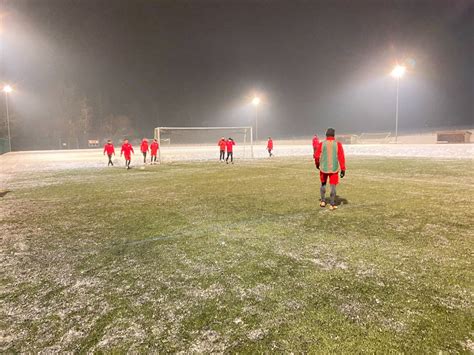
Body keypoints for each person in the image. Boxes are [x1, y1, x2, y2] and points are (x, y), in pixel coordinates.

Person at [314, 128, 346, 210]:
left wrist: (317, 164)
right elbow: (341, 157)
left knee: (323, 184)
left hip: (323, 168)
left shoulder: (322, 144)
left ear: (326, 135)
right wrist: (343, 169)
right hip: (334, 169)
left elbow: (316, 156)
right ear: (334, 135)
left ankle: (323, 201)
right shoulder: (338, 144)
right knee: (333, 186)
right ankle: (332, 204)